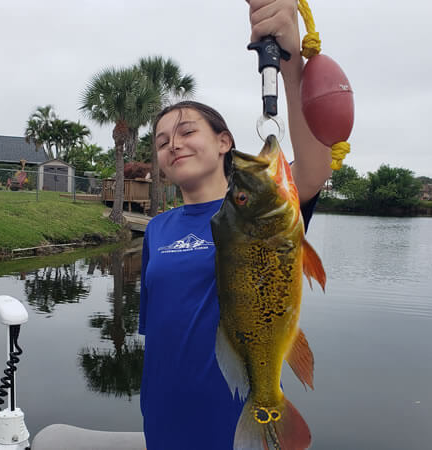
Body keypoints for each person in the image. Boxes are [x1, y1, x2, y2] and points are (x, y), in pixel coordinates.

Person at [138, 1, 332, 448]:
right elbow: (158, 332)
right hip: (163, 406)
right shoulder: (156, 230)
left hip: (236, 401)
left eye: (187, 132)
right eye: (163, 141)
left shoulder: (260, 211)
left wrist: (290, 62)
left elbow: (314, 166)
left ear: (224, 142)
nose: (173, 145)